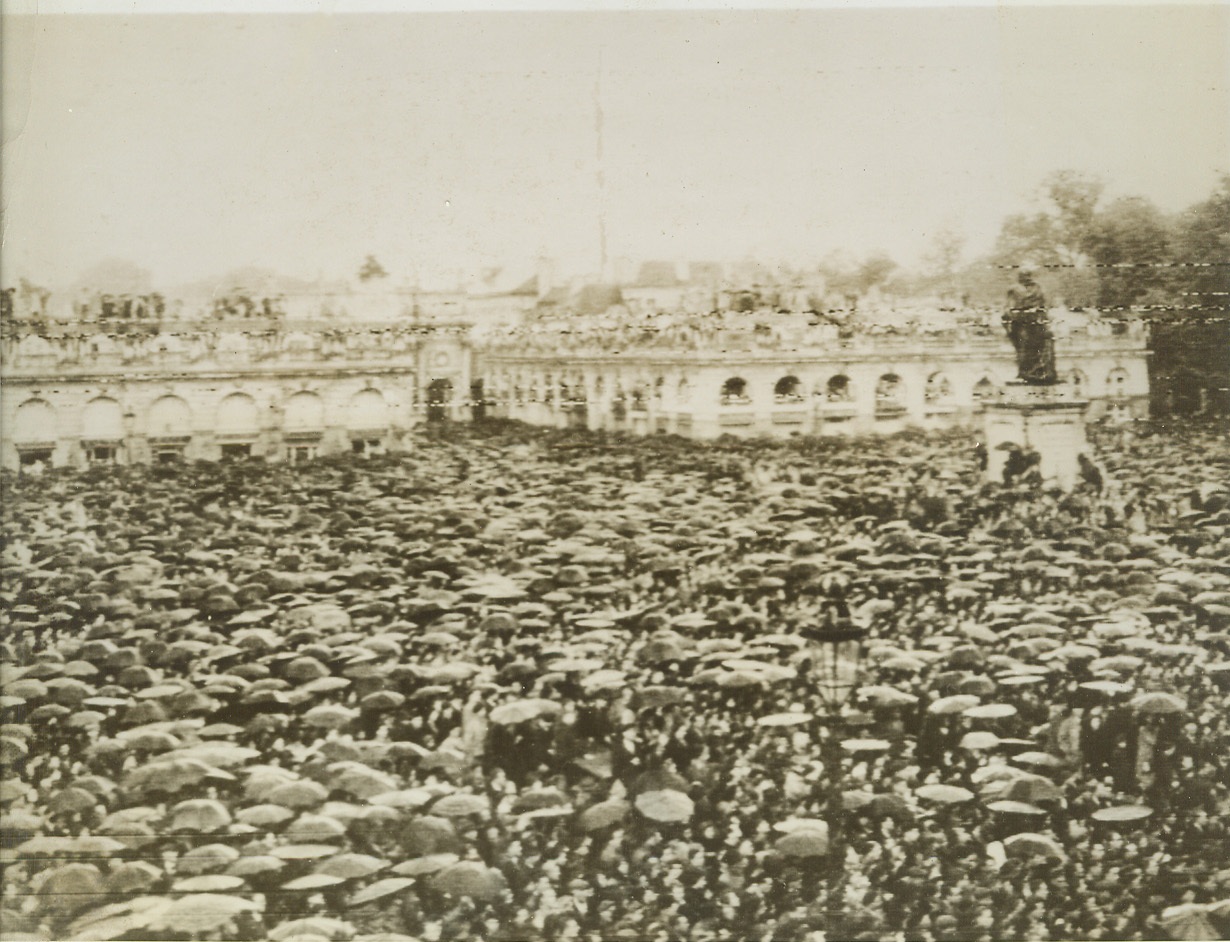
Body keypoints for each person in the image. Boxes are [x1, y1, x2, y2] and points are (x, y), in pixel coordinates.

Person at [1003, 266, 1058, 385]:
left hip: (1031, 323)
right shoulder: (1022, 289)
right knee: (1028, 346)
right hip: (1028, 323)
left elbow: (1009, 309)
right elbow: (1009, 309)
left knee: (1031, 345)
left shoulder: (1032, 289)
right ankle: (1032, 372)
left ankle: (1035, 372)